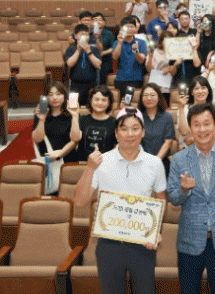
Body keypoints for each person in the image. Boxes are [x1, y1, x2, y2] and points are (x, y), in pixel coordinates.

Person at [74, 107, 166, 294]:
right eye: (124, 129)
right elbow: (79, 201)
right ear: (116, 133)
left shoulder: (155, 163)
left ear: (143, 132)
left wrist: (156, 231)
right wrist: (90, 168)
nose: (130, 134)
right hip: (109, 244)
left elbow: (161, 201)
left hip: (142, 245)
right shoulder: (101, 161)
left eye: (135, 128)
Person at [167, 103, 215, 294]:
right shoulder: (179, 159)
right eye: (197, 124)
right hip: (189, 241)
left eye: (207, 123)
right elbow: (173, 198)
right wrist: (184, 190)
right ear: (190, 128)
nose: (202, 129)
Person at [33, 81, 78, 164]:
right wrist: (41, 119)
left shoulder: (71, 113)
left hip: (67, 158)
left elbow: (75, 140)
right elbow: (37, 139)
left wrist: (59, 155)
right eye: (50, 95)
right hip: (47, 159)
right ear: (46, 97)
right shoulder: (40, 114)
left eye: (58, 94)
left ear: (64, 95)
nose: (54, 97)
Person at [69, 85, 117, 162]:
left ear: (109, 103)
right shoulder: (82, 119)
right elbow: (74, 139)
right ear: (90, 101)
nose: (100, 103)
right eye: (96, 99)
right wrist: (75, 116)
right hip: (82, 163)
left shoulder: (114, 122)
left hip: (105, 164)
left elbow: (117, 146)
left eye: (104, 100)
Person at [137, 83, 175, 175]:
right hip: (140, 162)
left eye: (152, 95)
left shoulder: (167, 117)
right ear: (141, 98)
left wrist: (156, 160)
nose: (149, 98)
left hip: (161, 161)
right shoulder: (137, 117)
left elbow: (168, 141)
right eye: (146, 95)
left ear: (159, 97)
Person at [177, 76, 215, 147]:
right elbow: (184, 132)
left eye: (203, 88)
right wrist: (181, 108)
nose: (200, 91)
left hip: (209, 148)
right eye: (196, 89)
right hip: (188, 148)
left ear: (208, 91)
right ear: (191, 92)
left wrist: (194, 140)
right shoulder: (184, 108)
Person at [65, 24, 102, 106]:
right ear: (75, 36)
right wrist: (78, 50)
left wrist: (88, 51)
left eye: (86, 34)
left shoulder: (94, 49)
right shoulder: (70, 49)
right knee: (73, 107)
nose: (85, 36)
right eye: (82, 34)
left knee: (91, 107)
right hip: (75, 84)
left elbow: (98, 65)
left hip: (92, 84)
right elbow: (69, 64)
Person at [112, 16, 147, 95]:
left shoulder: (141, 42)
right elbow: (115, 57)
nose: (129, 29)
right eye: (127, 27)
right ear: (121, 29)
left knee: (133, 101)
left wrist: (136, 51)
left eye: (132, 27)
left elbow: (141, 60)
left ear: (135, 28)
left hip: (136, 79)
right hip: (120, 79)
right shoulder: (116, 42)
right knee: (121, 101)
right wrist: (120, 42)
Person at [146, 28, 174, 105]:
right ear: (161, 41)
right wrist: (150, 56)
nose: (168, 42)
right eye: (165, 39)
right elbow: (149, 69)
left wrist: (169, 69)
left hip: (168, 84)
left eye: (170, 40)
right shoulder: (154, 51)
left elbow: (175, 69)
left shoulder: (174, 53)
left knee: (166, 105)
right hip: (155, 82)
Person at [92, 12, 115, 84]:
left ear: (104, 23)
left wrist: (103, 53)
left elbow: (113, 48)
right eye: (95, 19)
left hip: (105, 60)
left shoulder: (108, 33)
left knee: (103, 81)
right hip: (91, 59)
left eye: (100, 20)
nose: (98, 22)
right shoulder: (88, 33)